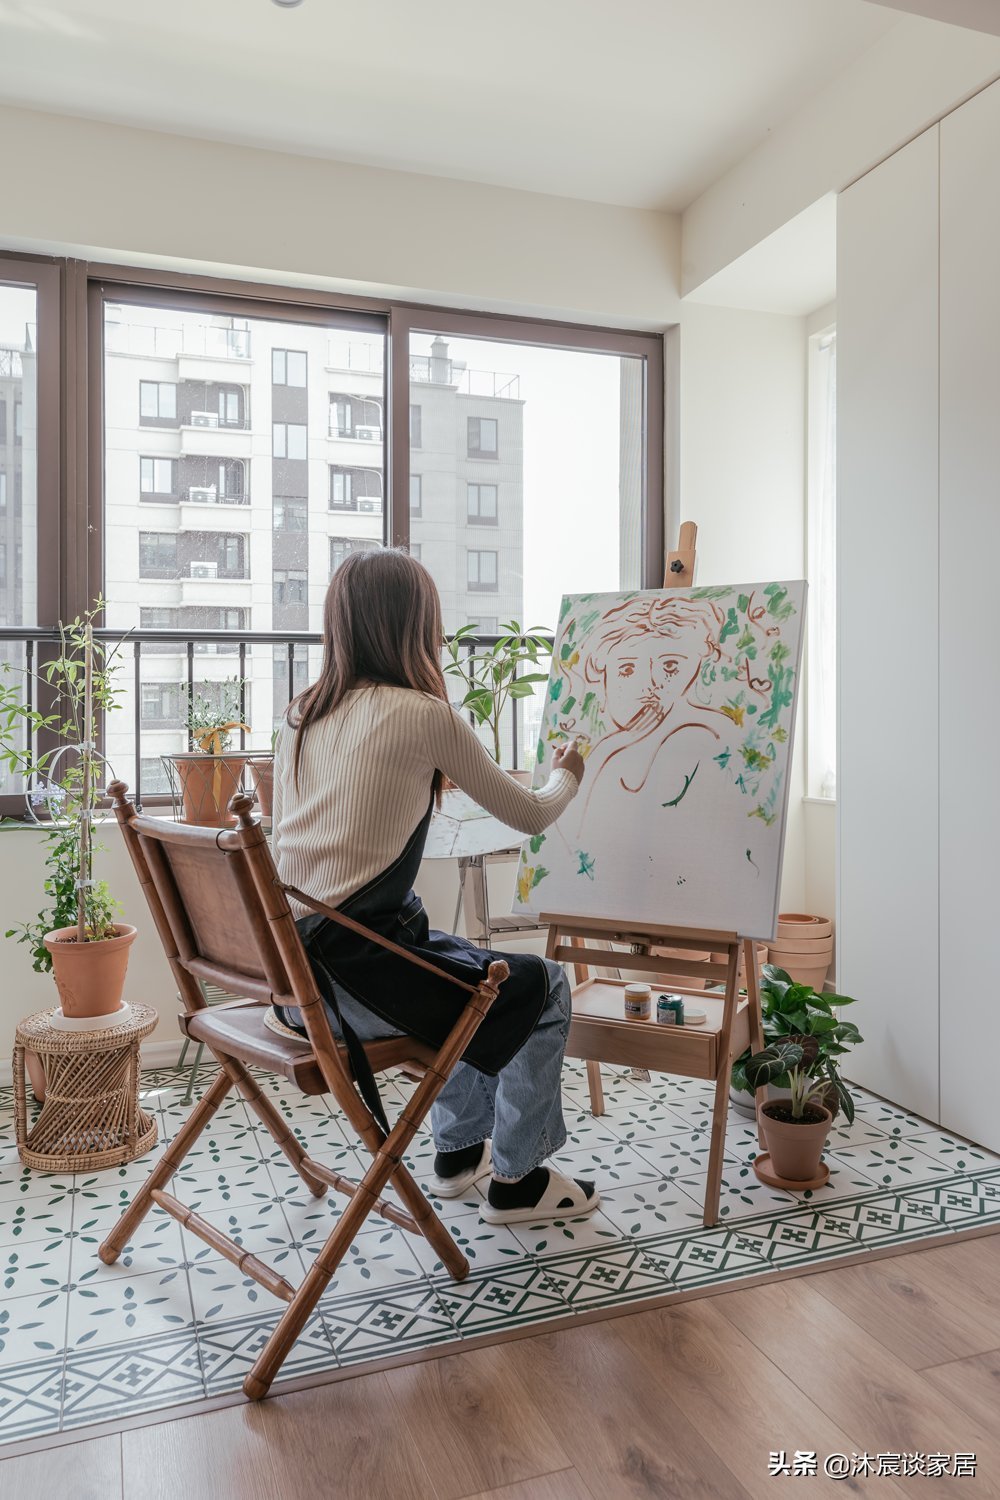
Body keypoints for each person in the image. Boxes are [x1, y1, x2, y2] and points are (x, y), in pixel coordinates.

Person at [270, 549, 597, 1226]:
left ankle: (456, 1155)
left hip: (294, 987)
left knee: (465, 968)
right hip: (356, 986)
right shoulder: (423, 715)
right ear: (415, 626)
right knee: (542, 987)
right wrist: (570, 771)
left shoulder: (301, 715)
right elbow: (531, 813)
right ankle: (517, 1180)